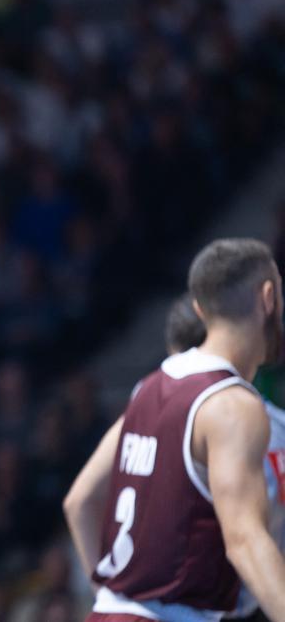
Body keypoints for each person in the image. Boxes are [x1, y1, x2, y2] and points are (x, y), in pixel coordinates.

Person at [63, 239, 285, 622]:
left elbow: (79, 501)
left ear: (199, 308)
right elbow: (245, 540)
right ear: (268, 298)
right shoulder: (234, 405)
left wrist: (109, 595)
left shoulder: (147, 387)